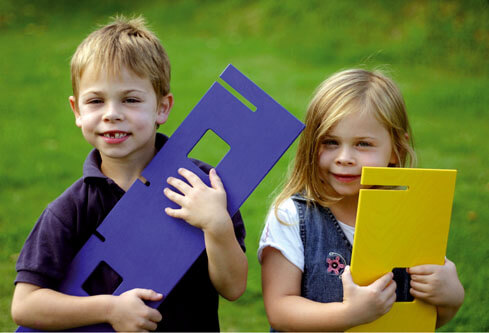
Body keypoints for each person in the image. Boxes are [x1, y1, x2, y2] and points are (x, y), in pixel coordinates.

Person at [11, 15, 247, 332]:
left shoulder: (201, 187)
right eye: (95, 101)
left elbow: (233, 288)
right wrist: (109, 309)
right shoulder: (72, 209)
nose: (112, 114)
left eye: (131, 99)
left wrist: (217, 225)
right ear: (77, 112)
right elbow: (25, 305)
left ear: (162, 107)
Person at [258, 68, 464, 331]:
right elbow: (279, 309)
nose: (344, 157)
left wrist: (451, 298)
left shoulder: (410, 216)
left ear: (396, 149)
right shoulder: (292, 216)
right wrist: (350, 314)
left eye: (363, 144)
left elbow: (422, 320)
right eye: (330, 142)